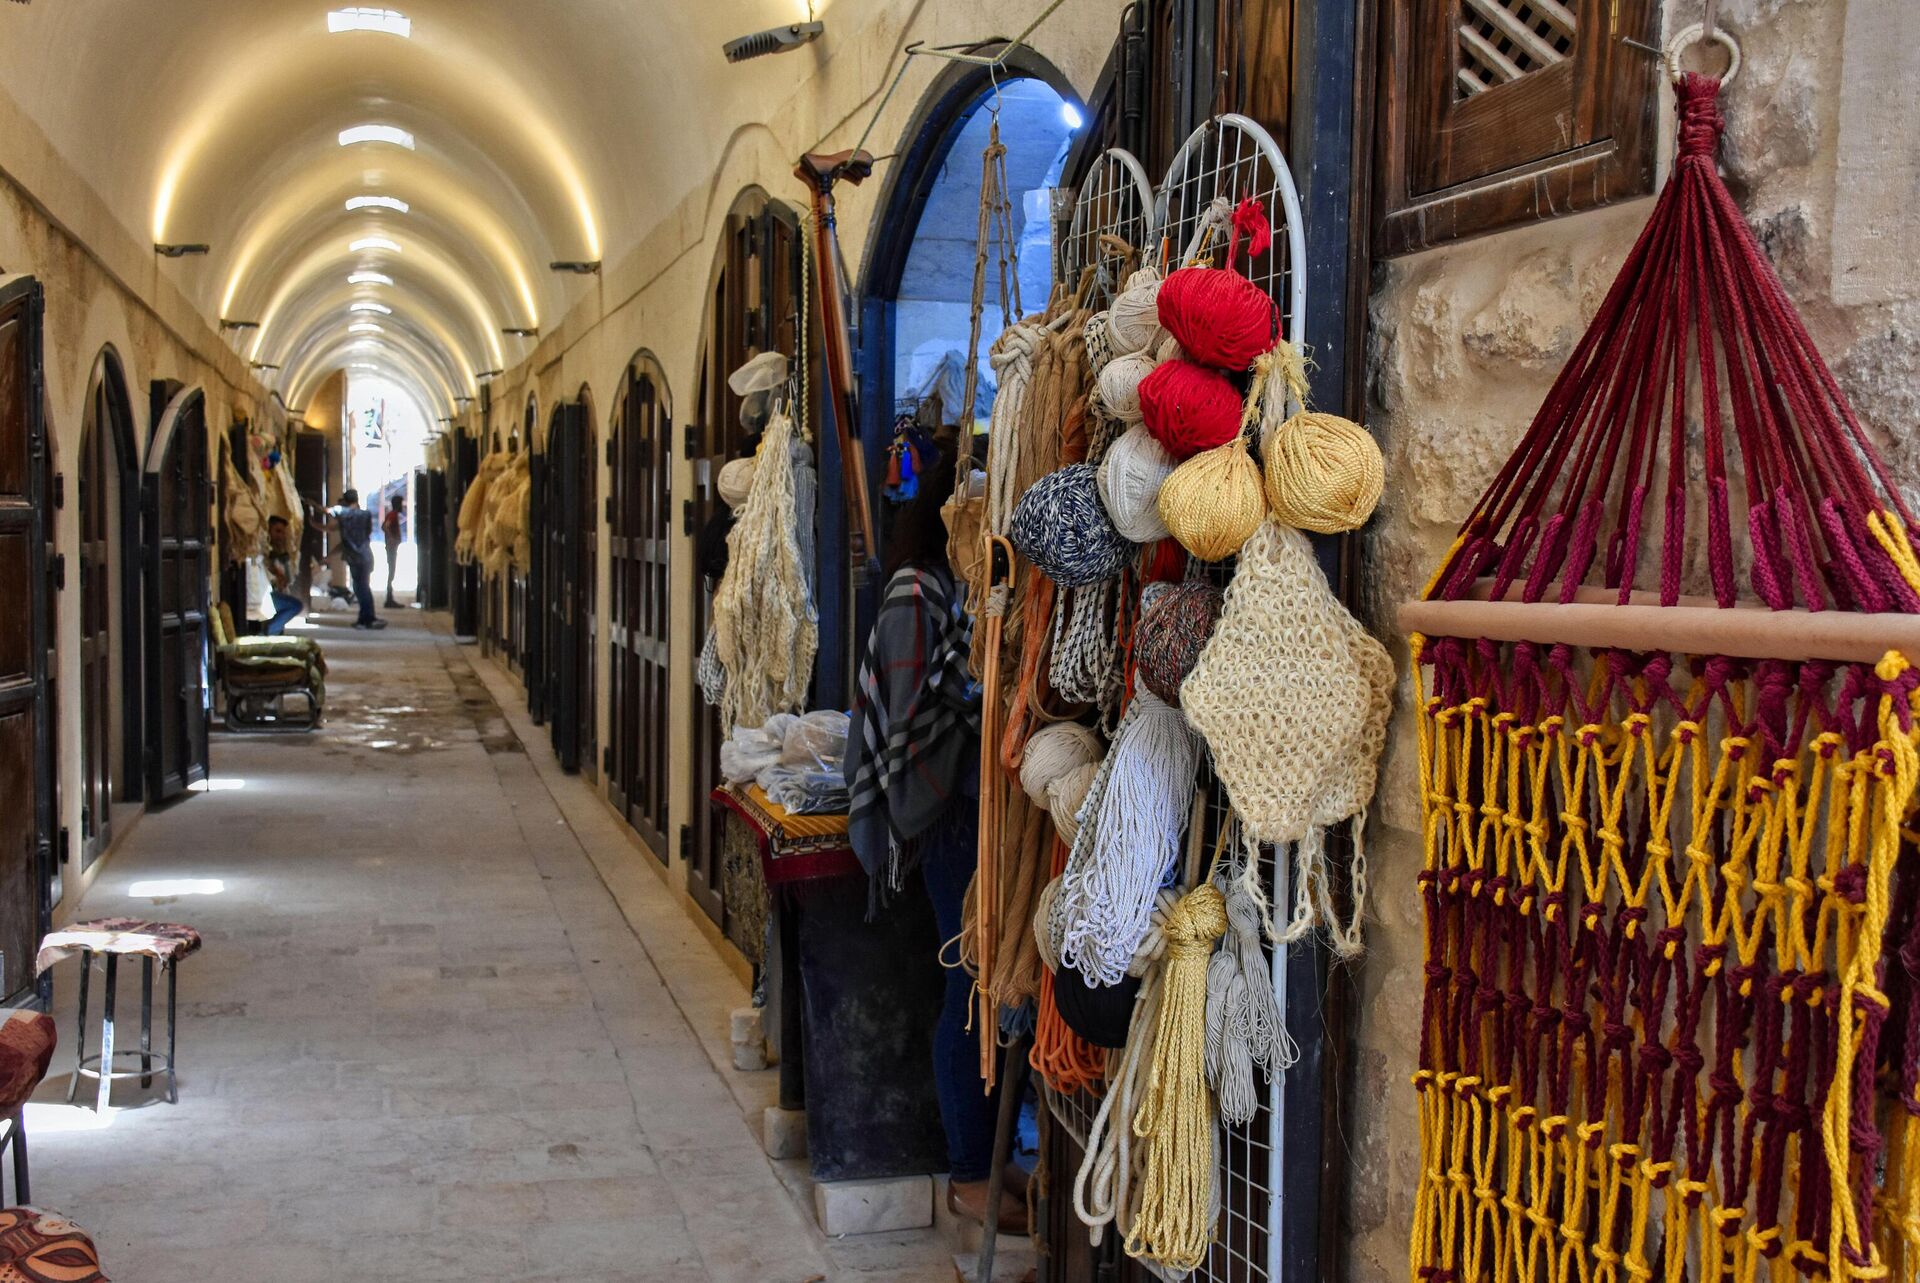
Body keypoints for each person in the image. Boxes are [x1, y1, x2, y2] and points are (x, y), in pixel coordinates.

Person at [843, 445, 1025, 1233]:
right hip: (950, 822)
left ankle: (994, 1164)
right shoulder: (917, 594)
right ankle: (969, 1178)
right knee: (969, 987)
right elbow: (914, 725)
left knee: (988, 985)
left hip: (973, 814)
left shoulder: (955, 591)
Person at [332, 489, 385, 630]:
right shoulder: (365, 515)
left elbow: (327, 514)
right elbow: (368, 532)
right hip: (365, 555)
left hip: (354, 557)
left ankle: (366, 618)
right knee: (364, 587)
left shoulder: (343, 514)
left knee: (360, 588)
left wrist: (312, 506)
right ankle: (366, 617)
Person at [263, 515, 302, 635]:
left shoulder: (282, 553)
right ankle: (267, 633)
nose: (280, 536)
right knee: (295, 606)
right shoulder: (263, 552)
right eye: (277, 531)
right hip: (263, 594)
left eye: (283, 533)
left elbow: (289, 579)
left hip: (276, 591)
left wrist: (285, 559)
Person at [381, 494, 405, 608]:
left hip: (392, 547)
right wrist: (391, 538)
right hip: (391, 548)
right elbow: (385, 526)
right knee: (391, 572)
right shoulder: (393, 514)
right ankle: (389, 599)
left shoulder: (392, 514)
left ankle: (389, 598)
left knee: (392, 571)